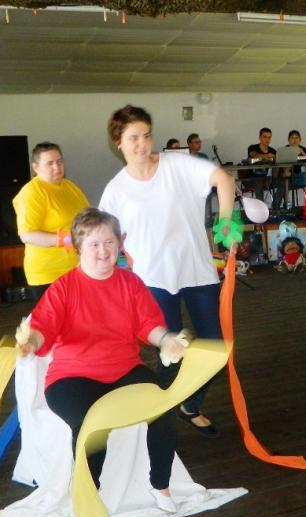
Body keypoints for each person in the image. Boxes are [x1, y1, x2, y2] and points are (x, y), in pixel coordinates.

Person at [15, 208, 188, 513]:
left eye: (109, 242)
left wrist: (165, 339)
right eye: (94, 244)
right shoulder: (64, 287)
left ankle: (160, 485)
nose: (103, 251)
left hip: (124, 369)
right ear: (79, 248)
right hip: (71, 377)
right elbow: (44, 327)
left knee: (164, 407)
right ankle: (87, 495)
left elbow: (148, 324)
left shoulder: (131, 283)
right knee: (90, 425)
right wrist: (31, 343)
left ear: (119, 243)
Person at [100, 105, 236, 438]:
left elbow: (222, 179)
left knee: (215, 348)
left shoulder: (177, 165)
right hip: (154, 279)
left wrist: (226, 223)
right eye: (133, 138)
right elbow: (105, 237)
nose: (142, 144)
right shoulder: (116, 191)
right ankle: (157, 416)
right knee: (170, 351)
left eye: (146, 136)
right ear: (118, 142)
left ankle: (189, 405)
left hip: (197, 270)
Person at [12, 142, 90, 301]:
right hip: (48, 274)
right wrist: (68, 239)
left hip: (77, 269)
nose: (57, 167)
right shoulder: (32, 192)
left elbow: (89, 218)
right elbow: (27, 235)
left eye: (59, 161)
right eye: (50, 163)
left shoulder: (70, 187)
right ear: (36, 167)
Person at [245, 127, 283, 208]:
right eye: (265, 137)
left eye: (269, 137)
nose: (267, 139)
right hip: (251, 178)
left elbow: (277, 166)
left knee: (282, 183)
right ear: (260, 137)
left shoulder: (273, 151)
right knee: (259, 183)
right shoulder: (252, 147)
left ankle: (276, 208)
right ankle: (261, 210)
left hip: (267, 178)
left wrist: (274, 177)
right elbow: (254, 155)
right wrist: (267, 156)